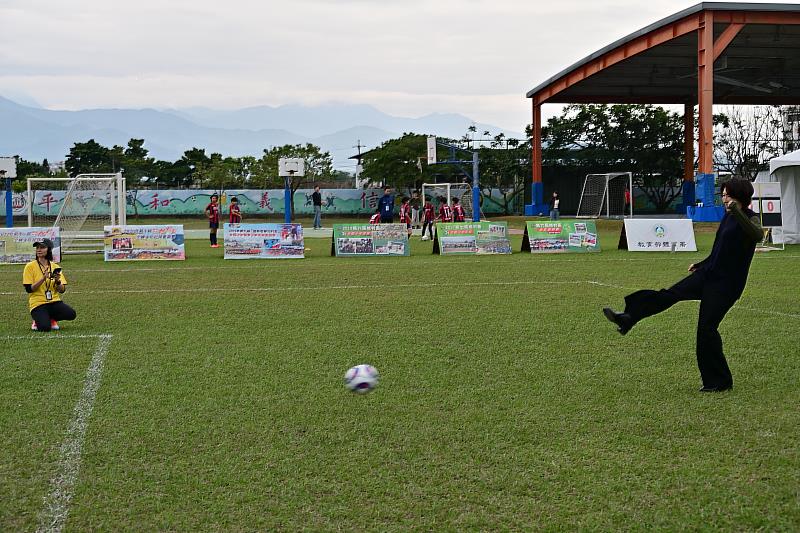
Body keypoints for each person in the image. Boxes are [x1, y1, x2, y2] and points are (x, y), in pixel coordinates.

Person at [602, 179, 763, 392]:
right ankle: (629, 317)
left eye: (727, 195)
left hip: (726, 285)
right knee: (669, 294)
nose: (724, 199)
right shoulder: (727, 217)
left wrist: (738, 212)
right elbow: (719, 251)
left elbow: (757, 235)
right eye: (723, 195)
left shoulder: (750, 219)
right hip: (709, 274)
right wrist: (702, 264)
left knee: (706, 329)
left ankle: (720, 382)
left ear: (739, 195)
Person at [23, 239, 76, 332]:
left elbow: (62, 290)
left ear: (49, 250)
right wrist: (43, 279)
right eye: (37, 248)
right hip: (38, 303)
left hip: (54, 301)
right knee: (44, 328)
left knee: (71, 314)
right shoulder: (30, 266)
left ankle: (50, 318)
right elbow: (29, 289)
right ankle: (37, 321)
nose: (39, 250)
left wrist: (57, 281)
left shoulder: (55, 266)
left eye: (42, 247)